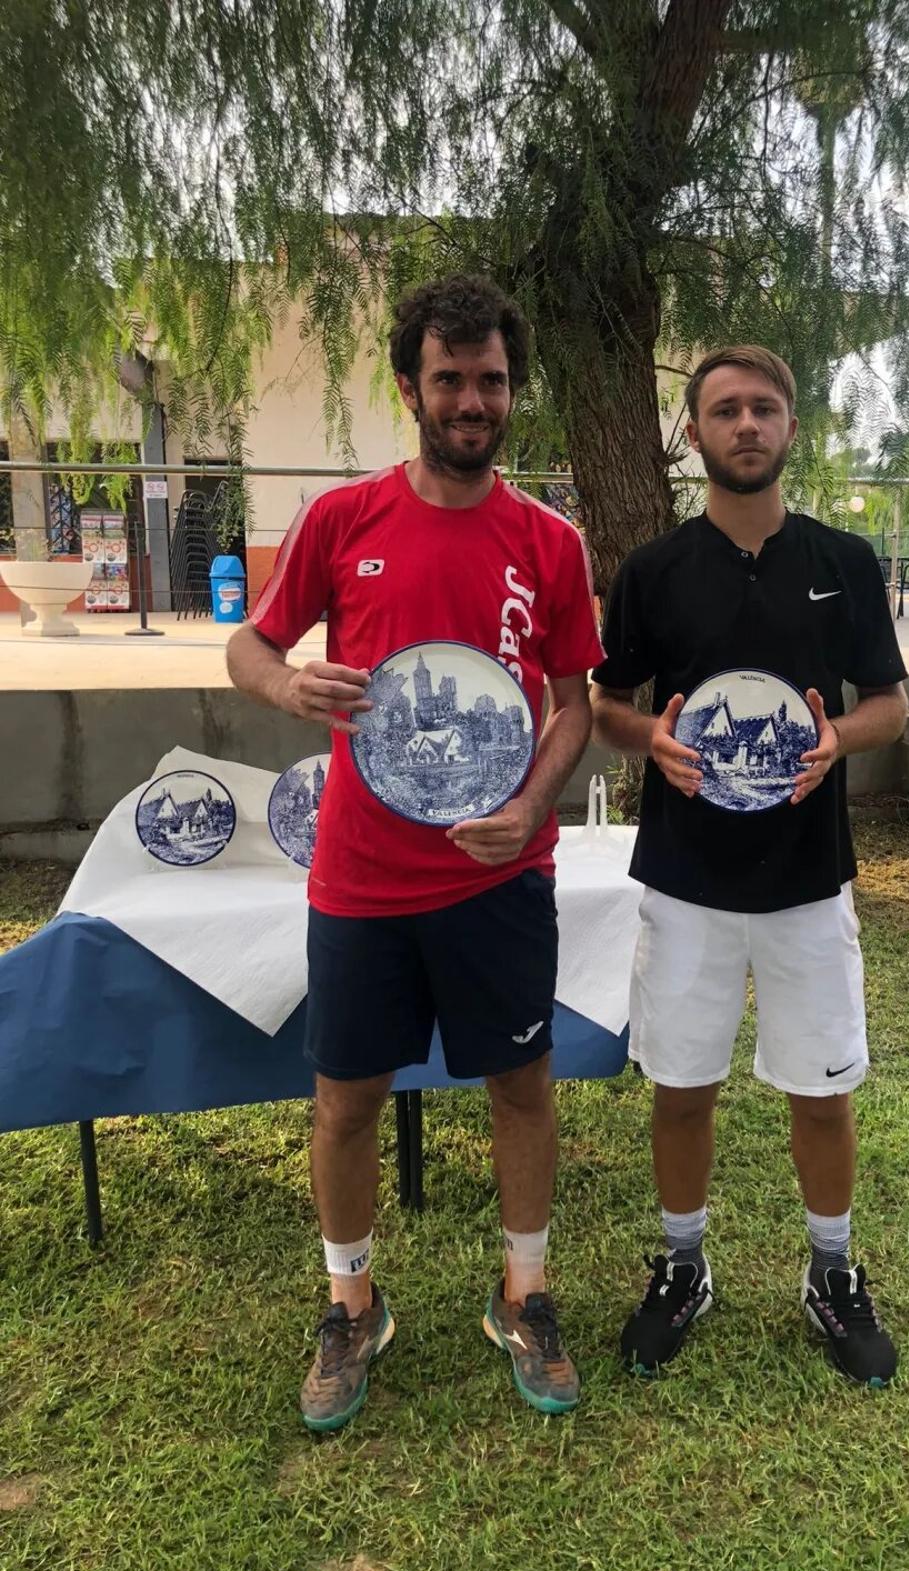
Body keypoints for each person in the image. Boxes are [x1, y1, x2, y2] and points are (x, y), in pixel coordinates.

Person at [227, 275, 605, 1427]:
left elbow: (576, 704)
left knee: (521, 1087)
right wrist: (288, 681)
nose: (472, 399)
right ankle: (351, 1305)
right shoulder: (343, 520)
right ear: (410, 387)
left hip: (500, 877)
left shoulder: (551, 543)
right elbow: (247, 645)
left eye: (491, 379)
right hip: (362, 879)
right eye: (450, 378)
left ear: (510, 389)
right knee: (344, 1101)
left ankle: (524, 1294)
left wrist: (537, 804)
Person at [590, 345, 908, 1388]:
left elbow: (888, 706)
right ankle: (683, 1266)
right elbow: (603, 704)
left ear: (792, 427)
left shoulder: (845, 560)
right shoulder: (653, 571)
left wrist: (837, 742)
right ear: (695, 433)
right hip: (686, 880)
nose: (745, 424)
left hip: (809, 879)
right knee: (683, 1086)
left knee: (823, 1089)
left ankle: (831, 1271)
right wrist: (652, 741)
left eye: (764, 407)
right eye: (724, 409)